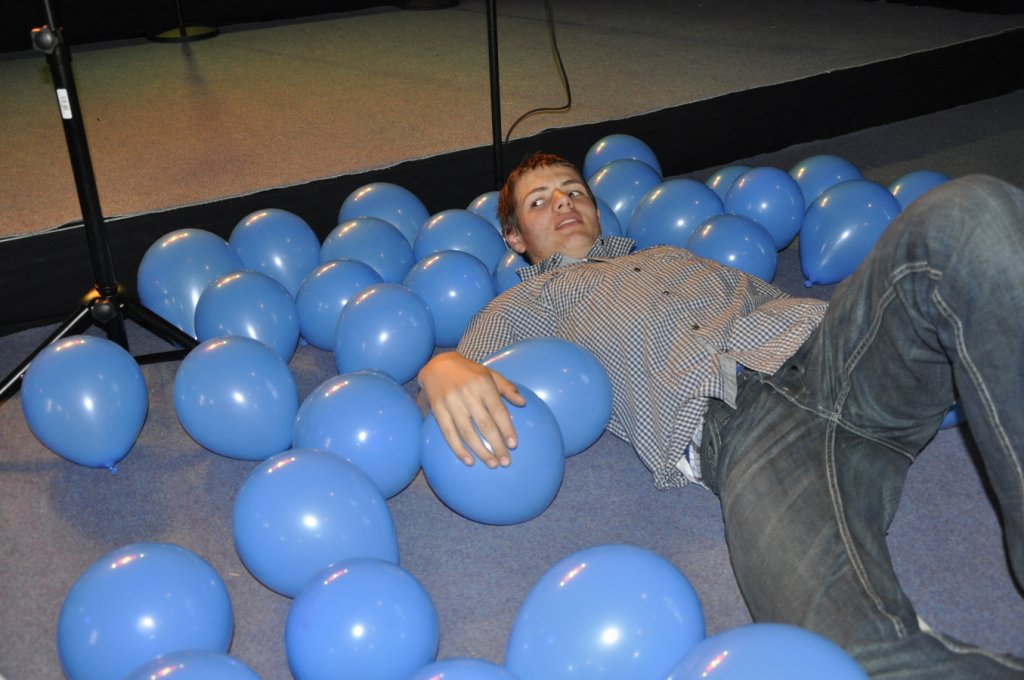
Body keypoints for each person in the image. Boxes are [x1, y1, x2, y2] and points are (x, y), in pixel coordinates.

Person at [417, 152, 1024, 678]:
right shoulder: (520, 305)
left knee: (967, 211)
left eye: (574, 191)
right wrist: (436, 368)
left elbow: (791, 301)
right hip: (742, 436)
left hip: (828, 355)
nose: (563, 203)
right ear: (515, 238)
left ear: (598, 210)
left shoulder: (669, 254)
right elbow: (466, 378)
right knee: (842, 656)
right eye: (539, 201)